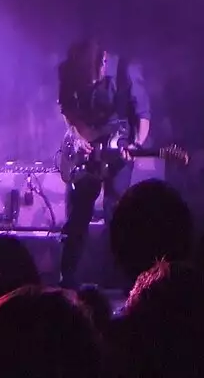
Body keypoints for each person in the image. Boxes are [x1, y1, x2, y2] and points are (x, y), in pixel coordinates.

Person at [55, 38, 151, 288]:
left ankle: (122, 281)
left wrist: (137, 145)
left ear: (104, 60)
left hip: (117, 151)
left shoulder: (126, 71)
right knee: (77, 216)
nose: (87, 81)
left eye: (92, 75)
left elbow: (142, 115)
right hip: (84, 155)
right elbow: (67, 109)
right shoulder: (67, 70)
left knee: (116, 213)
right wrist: (79, 136)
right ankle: (68, 279)